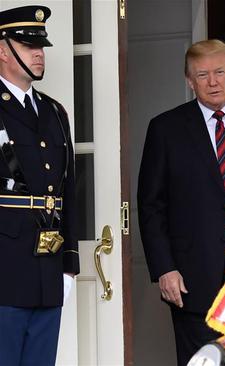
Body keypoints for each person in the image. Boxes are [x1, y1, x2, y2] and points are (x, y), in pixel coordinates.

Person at [137, 39, 225, 366]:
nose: (212, 81)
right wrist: (164, 268)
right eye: (202, 75)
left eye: (219, 72)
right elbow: (151, 204)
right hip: (192, 278)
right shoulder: (165, 128)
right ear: (189, 81)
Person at [0, 5, 79, 366]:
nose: (39, 53)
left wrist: (69, 263)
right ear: (3, 50)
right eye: (29, 45)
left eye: (41, 46)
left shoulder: (53, 113)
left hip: (46, 272)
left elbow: (68, 193)